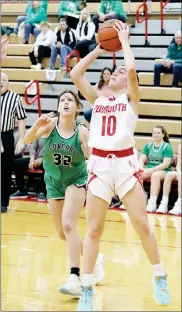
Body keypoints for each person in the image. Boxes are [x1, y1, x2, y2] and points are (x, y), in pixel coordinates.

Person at [70, 21, 170, 311]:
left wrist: (124, 42)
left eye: (121, 72)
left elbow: (132, 72)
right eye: (114, 71)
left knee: (142, 224)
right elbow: (75, 73)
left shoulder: (132, 99)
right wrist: (100, 49)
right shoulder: (97, 99)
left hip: (125, 163)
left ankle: (159, 276)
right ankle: (87, 287)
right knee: (94, 228)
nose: (118, 73)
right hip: (99, 164)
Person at [24, 90, 105, 297]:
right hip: (52, 183)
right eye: (62, 100)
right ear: (58, 107)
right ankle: (94, 256)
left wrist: (88, 149)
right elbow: (27, 139)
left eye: (70, 100)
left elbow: (91, 156)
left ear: (78, 107)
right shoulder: (50, 125)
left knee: (69, 224)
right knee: (63, 234)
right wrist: (37, 125)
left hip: (75, 180)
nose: (66, 102)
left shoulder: (82, 130)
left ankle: (75, 277)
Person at [1, 72, 27, 213]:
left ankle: (3, 202)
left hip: (6, 136)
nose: (1, 82)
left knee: (5, 170)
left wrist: (21, 139)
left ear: (8, 83)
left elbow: (21, 119)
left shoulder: (14, 98)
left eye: (4, 80)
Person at [139, 126, 173, 212]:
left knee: (155, 175)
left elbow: (166, 164)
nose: (156, 135)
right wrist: (140, 168)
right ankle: (137, 200)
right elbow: (141, 159)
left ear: (163, 134)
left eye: (158, 133)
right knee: (137, 175)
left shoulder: (167, 147)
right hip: (150, 169)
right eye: (154, 133)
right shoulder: (148, 146)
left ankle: (152, 203)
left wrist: (153, 169)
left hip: (163, 170)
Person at [10, 137, 46, 202]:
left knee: (47, 165)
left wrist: (43, 159)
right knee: (17, 162)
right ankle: (22, 190)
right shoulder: (39, 133)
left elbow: (55, 151)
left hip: (49, 160)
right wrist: (32, 159)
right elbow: (33, 148)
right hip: (36, 159)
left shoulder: (57, 134)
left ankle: (42, 191)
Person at [157, 143, 181, 215]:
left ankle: (179, 204)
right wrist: (179, 172)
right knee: (169, 174)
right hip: (180, 171)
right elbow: (179, 164)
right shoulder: (180, 146)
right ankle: (164, 204)